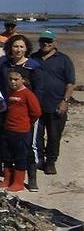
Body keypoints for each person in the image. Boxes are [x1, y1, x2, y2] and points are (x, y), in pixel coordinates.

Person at [30, 30, 75, 175]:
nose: (45, 43)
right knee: (36, 136)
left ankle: (51, 162)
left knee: (54, 136)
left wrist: (65, 101)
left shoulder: (63, 59)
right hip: (36, 104)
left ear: (54, 42)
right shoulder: (33, 58)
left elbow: (70, 83)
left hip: (56, 104)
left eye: (49, 41)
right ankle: (39, 160)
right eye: (43, 40)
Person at [0, 69, 41, 192]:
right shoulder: (10, 92)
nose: (12, 82)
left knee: (20, 157)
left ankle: (18, 182)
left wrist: (27, 123)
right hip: (8, 129)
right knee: (7, 156)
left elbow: (36, 112)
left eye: (16, 79)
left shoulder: (28, 94)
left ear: (23, 80)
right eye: (10, 79)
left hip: (21, 131)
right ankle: (7, 179)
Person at [0, 34, 43, 99]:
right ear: (10, 48)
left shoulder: (33, 66)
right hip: (7, 102)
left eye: (21, 47)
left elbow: (38, 90)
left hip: (26, 104)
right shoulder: (5, 65)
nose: (19, 50)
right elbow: (0, 85)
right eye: (16, 46)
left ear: (26, 48)